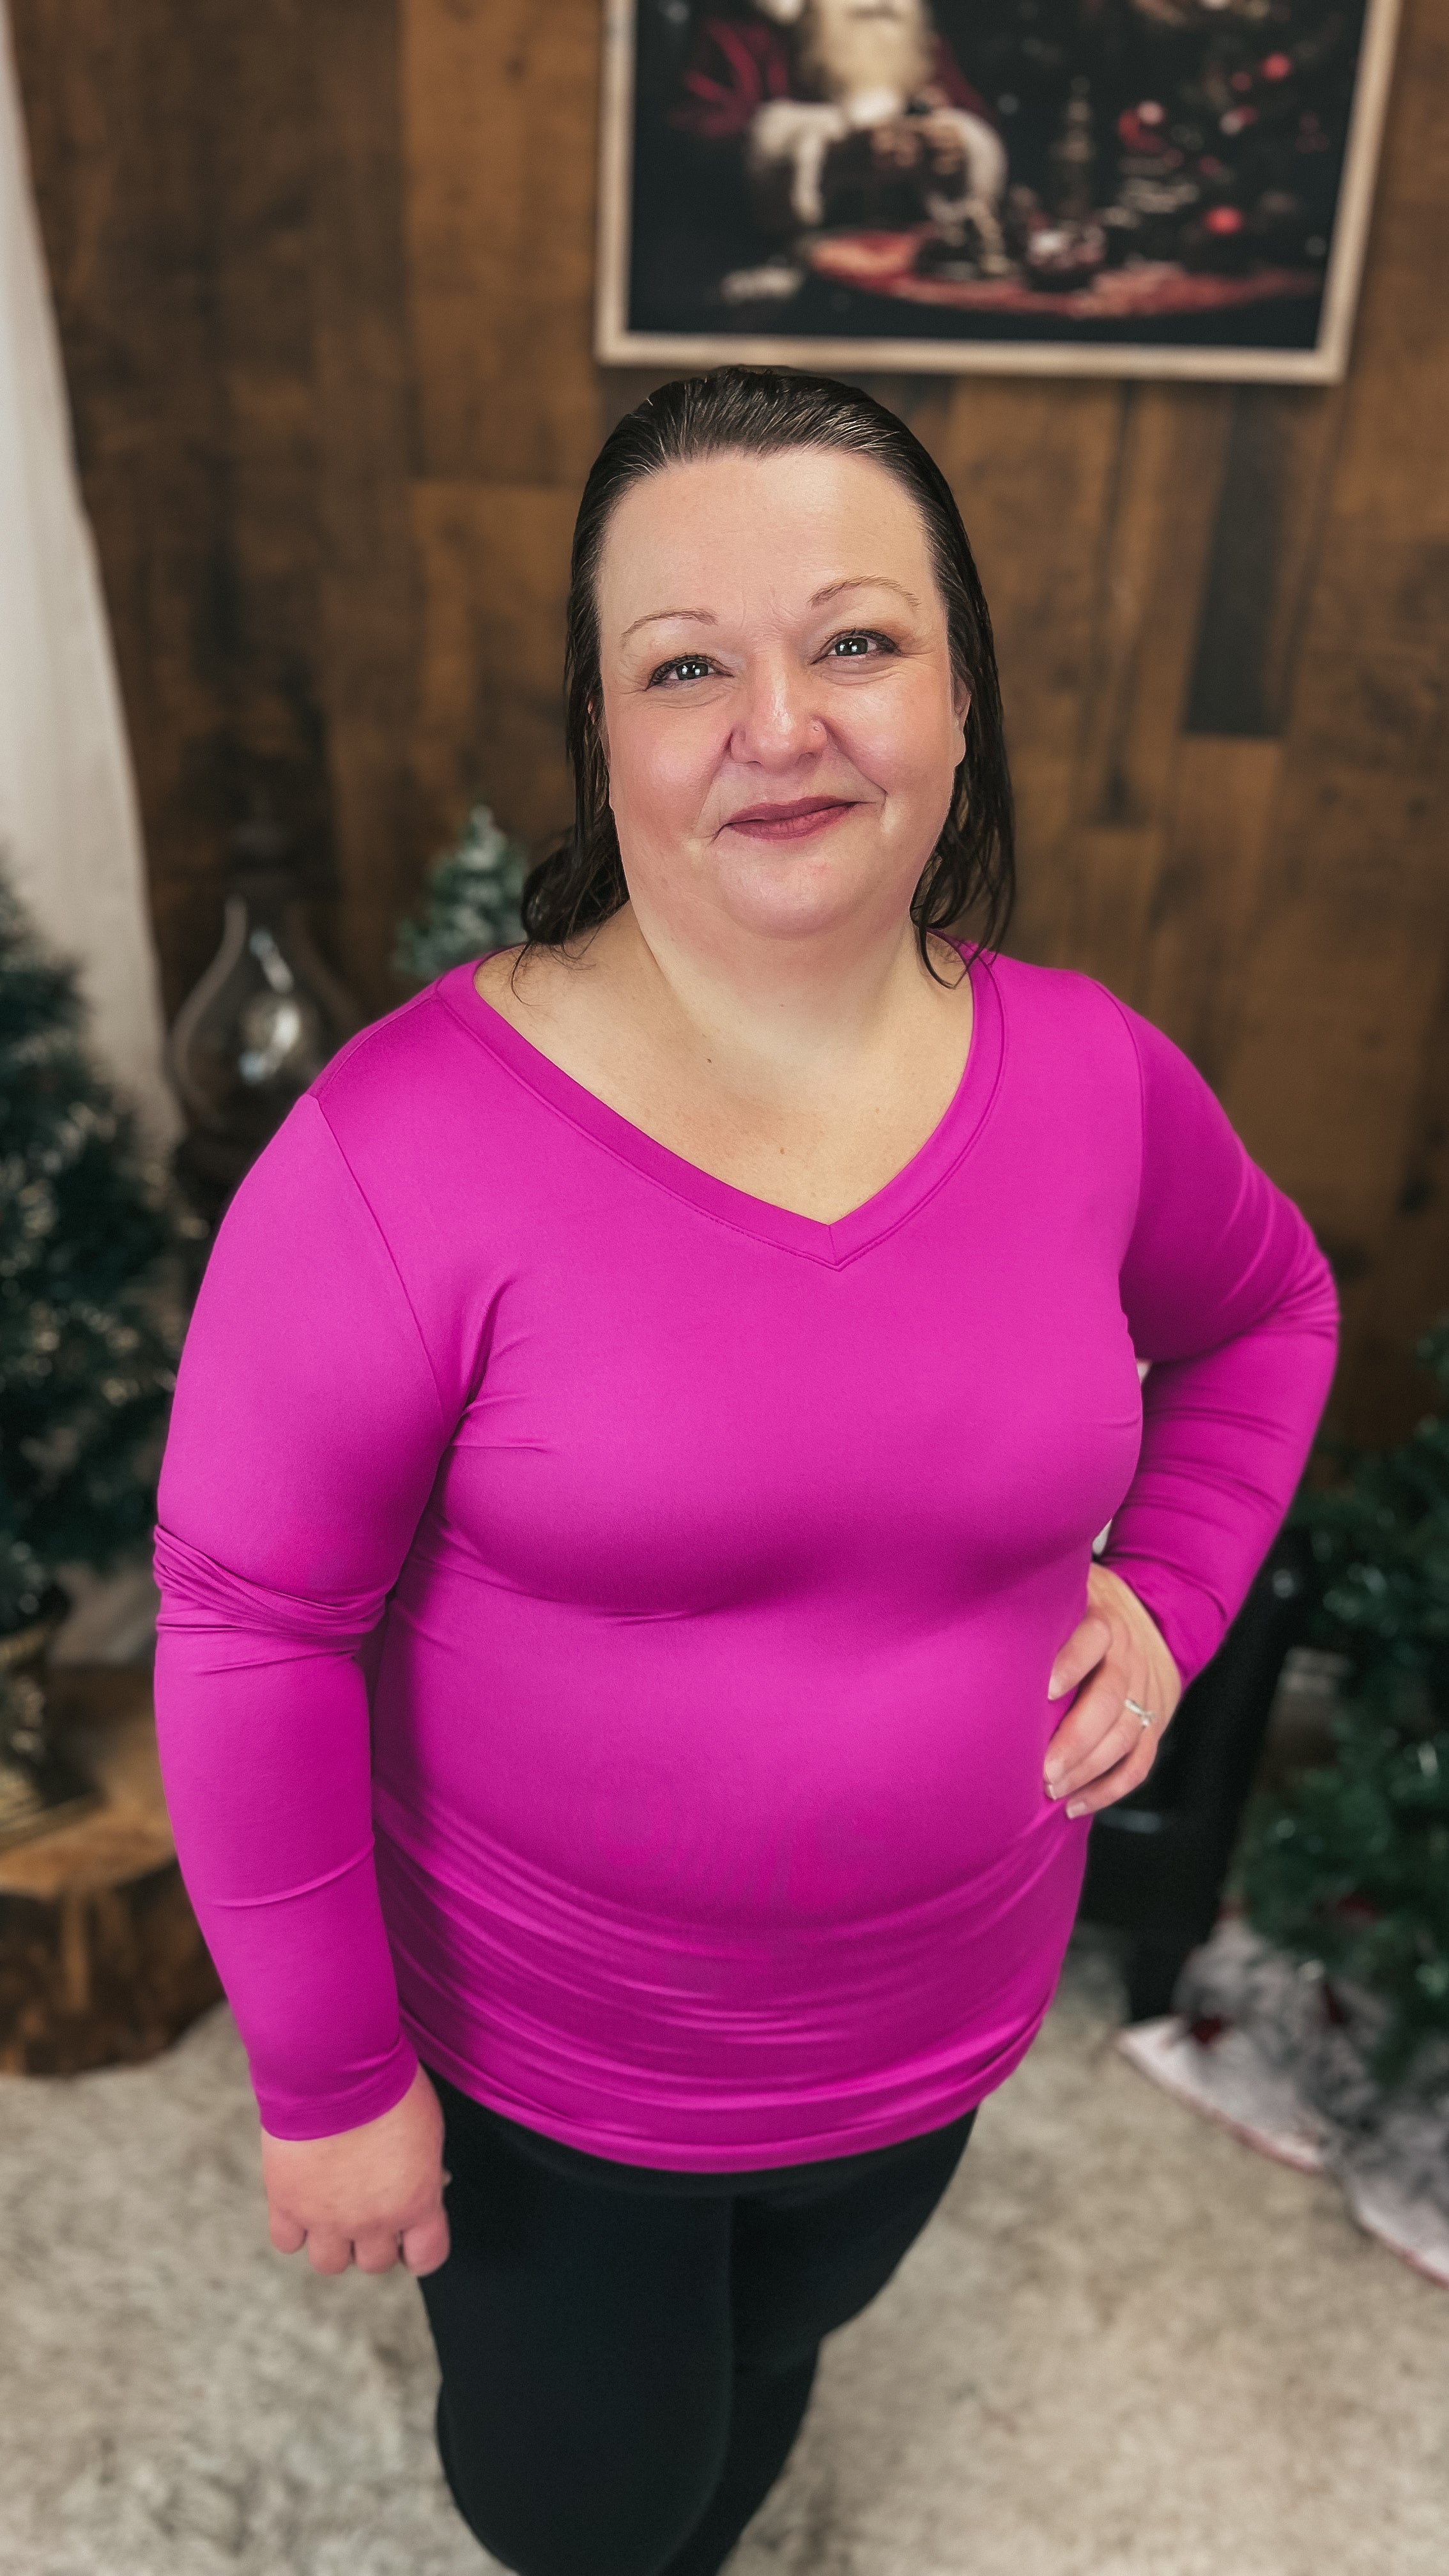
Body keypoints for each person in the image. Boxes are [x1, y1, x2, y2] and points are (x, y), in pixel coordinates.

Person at [151, 366, 1338, 2576]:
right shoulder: (399, 1147)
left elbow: (1266, 1311)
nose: (776, 726)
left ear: (958, 698)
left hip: (938, 2018)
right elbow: (248, 1632)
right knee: (584, 2508)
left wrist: (1170, 1594)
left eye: (854, 640)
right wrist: (325, 2081)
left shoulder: (1094, 1081)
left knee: (772, 2372)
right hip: (548, 2068)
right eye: (685, 666)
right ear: (604, 734)